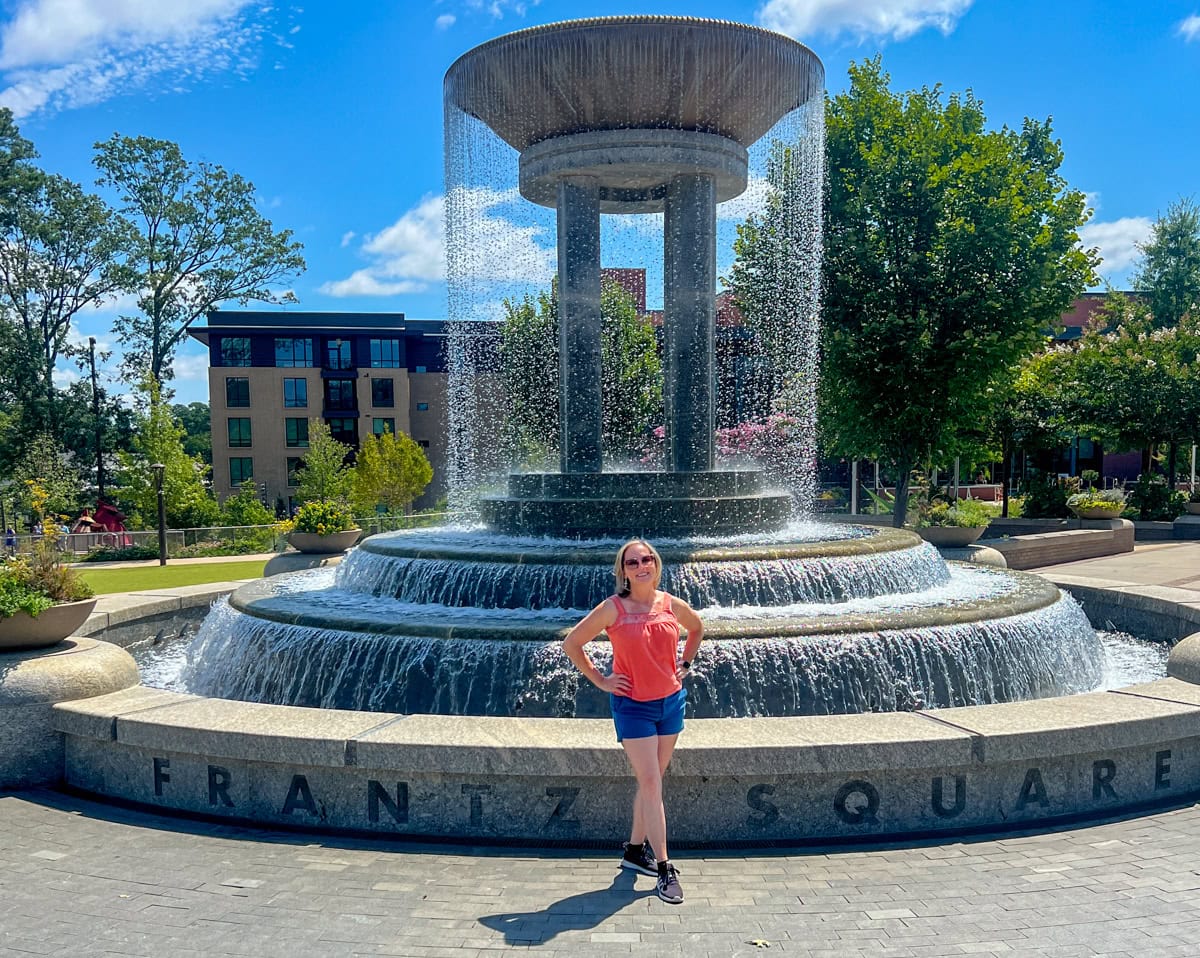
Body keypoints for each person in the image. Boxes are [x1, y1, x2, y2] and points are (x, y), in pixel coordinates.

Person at [561, 538, 704, 904]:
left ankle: (634, 851)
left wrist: (685, 663)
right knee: (652, 782)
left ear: (656, 564)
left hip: (671, 702)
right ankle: (664, 869)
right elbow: (573, 644)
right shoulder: (613, 609)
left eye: (647, 559)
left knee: (650, 781)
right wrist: (602, 680)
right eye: (632, 562)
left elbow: (697, 628)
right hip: (633, 707)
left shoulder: (670, 604)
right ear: (623, 570)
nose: (641, 566)